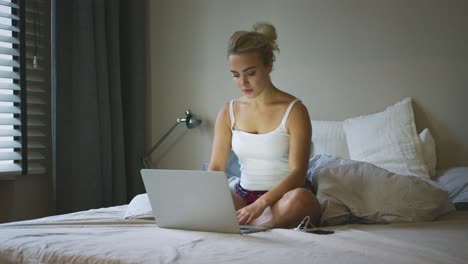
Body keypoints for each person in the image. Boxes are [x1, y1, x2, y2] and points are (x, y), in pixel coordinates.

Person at [208, 22, 321, 228]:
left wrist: (260, 205)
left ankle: (247, 224)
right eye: (236, 74)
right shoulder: (227, 111)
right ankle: (260, 224)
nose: (243, 83)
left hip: (286, 198)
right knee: (207, 201)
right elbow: (216, 168)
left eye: (250, 73)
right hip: (244, 197)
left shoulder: (295, 110)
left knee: (301, 201)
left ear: (268, 65)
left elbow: (298, 174)